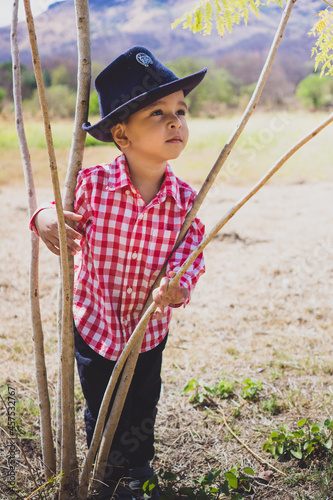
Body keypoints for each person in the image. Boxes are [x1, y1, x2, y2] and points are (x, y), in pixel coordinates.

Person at [30, 46, 207, 500]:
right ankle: (104, 470)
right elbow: (56, 208)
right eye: (158, 113)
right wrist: (45, 218)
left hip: (147, 327)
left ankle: (139, 467)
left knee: (143, 399)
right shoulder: (93, 184)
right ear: (122, 136)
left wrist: (178, 285)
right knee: (102, 402)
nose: (175, 122)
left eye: (180, 111)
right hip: (97, 321)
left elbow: (193, 250)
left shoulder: (186, 201)